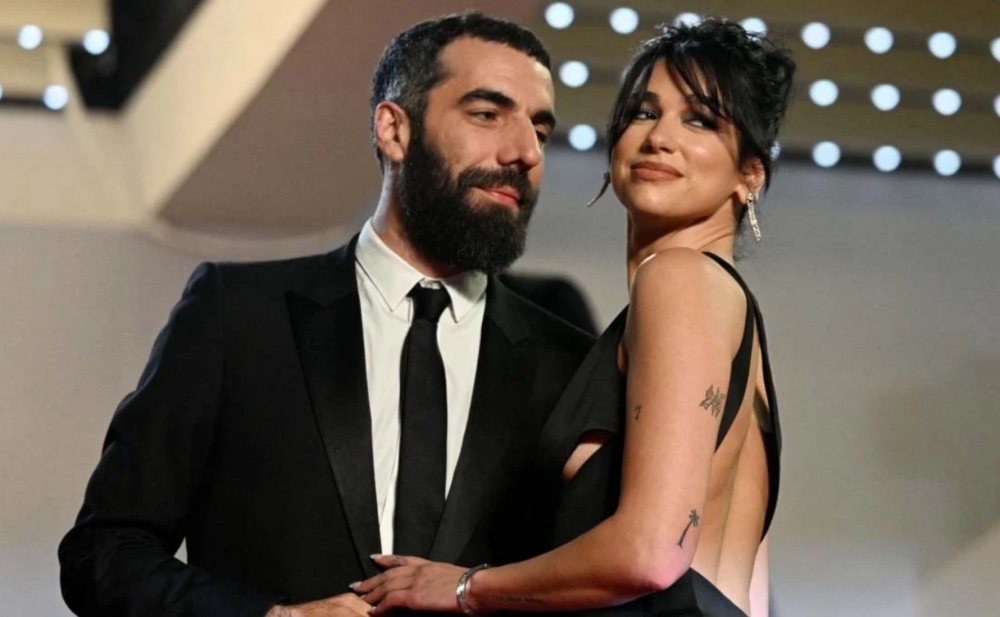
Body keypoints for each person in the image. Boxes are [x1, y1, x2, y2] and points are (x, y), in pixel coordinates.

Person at [58, 12, 593, 617]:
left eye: (540, 129)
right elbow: (103, 553)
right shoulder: (237, 316)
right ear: (394, 129)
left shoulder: (569, 363)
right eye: (487, 114)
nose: (525, 152)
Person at [352, 18, 794, 617]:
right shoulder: (730, 315)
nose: (659, 137)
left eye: (700, 121)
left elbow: (651, 554)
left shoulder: (678, 277)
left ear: (749, 175)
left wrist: (465, 587)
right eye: (643, 112)